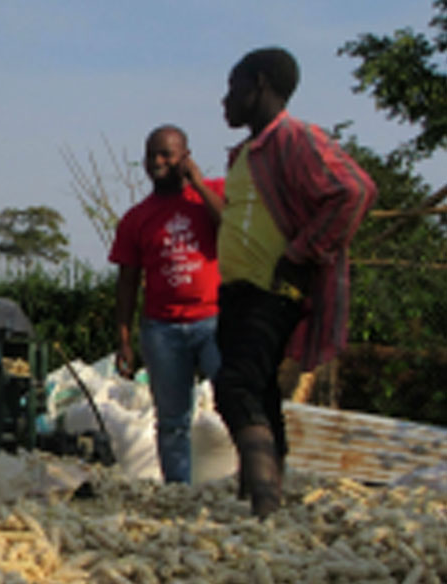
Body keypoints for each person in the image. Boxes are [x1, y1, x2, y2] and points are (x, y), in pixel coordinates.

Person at [213, 47, 377, 518]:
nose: (225, 101)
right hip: (238, 291)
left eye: (233, 88)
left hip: (272, 290)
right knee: (260, 387)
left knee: (235, 386)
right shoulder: (248, 153)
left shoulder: (294, 138)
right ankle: (262, 496)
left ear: (259, 84)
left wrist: (301, 253)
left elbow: (355, 190)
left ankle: (265, 503)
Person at [109, 125, 224, 484]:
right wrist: (124, 337)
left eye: (166, 155)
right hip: (162, 329)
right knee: (172, 420)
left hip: (214, 320)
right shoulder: (136, 218)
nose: (157, 162)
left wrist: (199, 183)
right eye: (151, 155)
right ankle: (180, 493)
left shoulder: (212, 195)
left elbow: (232, 227)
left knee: (235, 403)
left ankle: (246, 483)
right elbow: (127, 282)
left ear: (184, 157)